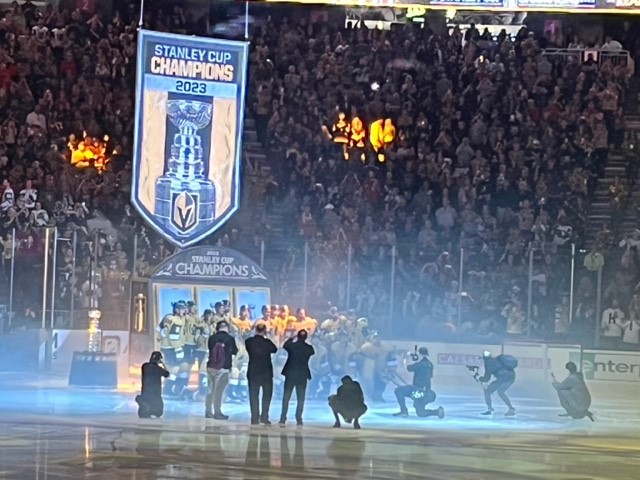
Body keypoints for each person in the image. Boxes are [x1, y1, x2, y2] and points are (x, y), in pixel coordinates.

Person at [393, 347, 444, 418]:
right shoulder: (430, 365)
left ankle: (404, 411)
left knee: (398, 390)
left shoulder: (420, 364)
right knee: (421, 413)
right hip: (427, 392)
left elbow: (408, 368)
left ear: (420, 354)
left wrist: (405, 359)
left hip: (417, 390)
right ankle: (437, 412)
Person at [279, 329, 315, 426]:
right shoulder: (308, 348)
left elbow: (285, 345)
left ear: (298, 336)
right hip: (302, 375)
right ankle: (299, 418)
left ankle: (283, 418)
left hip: (290, 374)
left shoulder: (292, 346)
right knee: (300, 398)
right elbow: (313, 352)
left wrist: (291, 337)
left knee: (286, 397)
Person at [205, 320, 238, 420]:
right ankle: (217, 412)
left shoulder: (211, 338)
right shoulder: (230, 338)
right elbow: (234, 351)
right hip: (223, 368)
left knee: (210, 390)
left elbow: (210, 349)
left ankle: (208, 411)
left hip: (210, 367)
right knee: (218, 391)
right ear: (226, 328)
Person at [245, 323, 278, 425]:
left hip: (253, 372)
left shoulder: (249, 341)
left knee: (253, 396)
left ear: (255, 330)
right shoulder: (267, 342)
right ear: (265, 331)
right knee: (266, 396)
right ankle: (264, 416)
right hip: (266, 373)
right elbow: (275, 349)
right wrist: (268, 337)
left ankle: (254, 418)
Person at [479, 351, 517, 416]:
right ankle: (511, 408)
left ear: (484, 358)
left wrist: (480, 378)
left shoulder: (488, 363)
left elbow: (487, 378)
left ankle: (489, 409)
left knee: (487, 391)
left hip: (503, 377)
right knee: (500, 392)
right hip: (511, 377)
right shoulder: (497, 360)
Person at [135, 351, 169, 418]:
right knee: (159, 412)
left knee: (144, 412)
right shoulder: (159, 369)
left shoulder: (144, 366)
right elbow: (167, 374)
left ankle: (143, 403)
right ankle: (147, 407)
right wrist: (163, 364)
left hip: (145, 393)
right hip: (155, 394)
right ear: (159, 359)